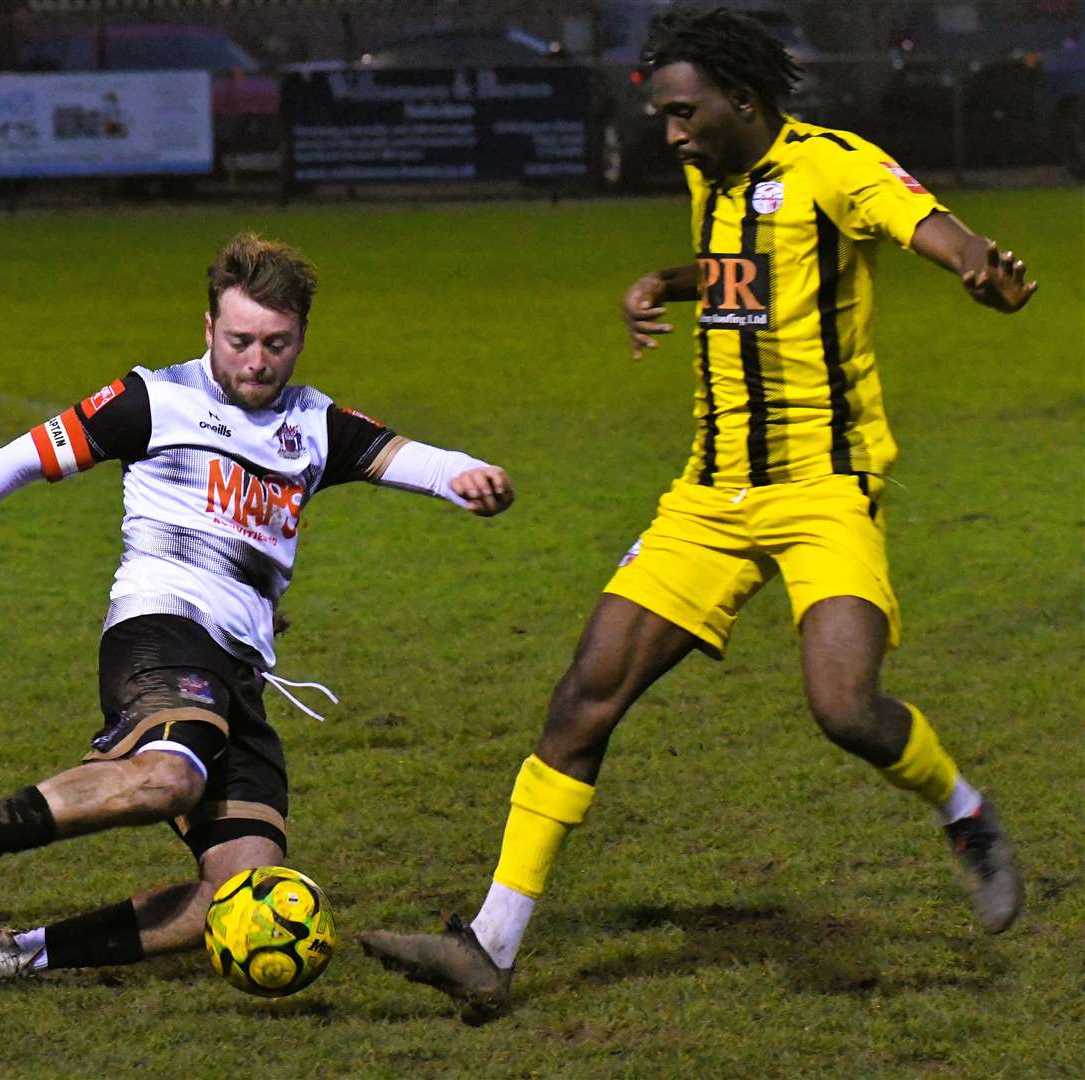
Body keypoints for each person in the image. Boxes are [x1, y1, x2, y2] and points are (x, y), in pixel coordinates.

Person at [359, 9, 1036, 1023]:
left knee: (844, 708)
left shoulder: (834, 168)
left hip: (820, 489)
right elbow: (747, 274)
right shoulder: (710, 175)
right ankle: (488, 950)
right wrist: (661, 283)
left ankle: (963, 813)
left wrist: (980, 271)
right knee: (582, 699)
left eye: (682, 114)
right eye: (662, 116)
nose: (669, 133)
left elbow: (928, 228)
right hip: (705, 497)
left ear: (745, 102)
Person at [0, 231, 513, 994]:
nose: (256, 360)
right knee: (166, 781)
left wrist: (470, 477)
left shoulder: (311, 425)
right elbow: (18, 458)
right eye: (240, 339)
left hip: (239, 670)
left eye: (276, 344)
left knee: (237, 899)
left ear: (301, 338)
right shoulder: (155, 399)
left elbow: (423, 462)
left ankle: (17, 954)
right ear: (208, 328)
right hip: (160, 629)